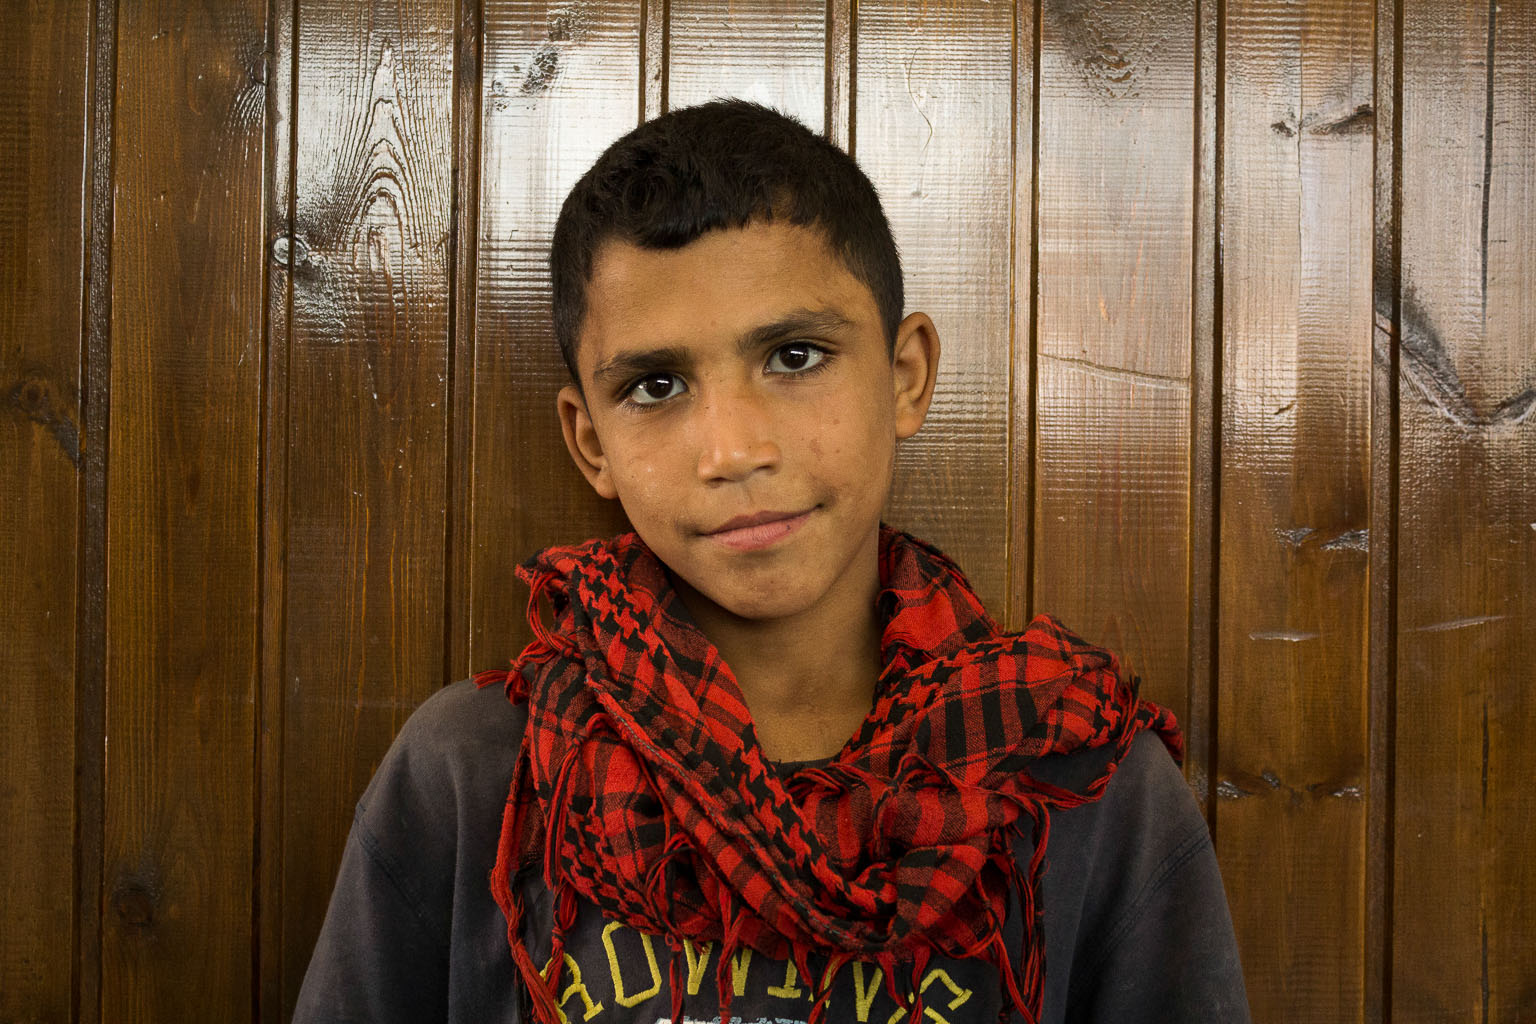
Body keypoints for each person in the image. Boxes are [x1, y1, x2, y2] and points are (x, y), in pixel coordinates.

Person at [293, 99, 1250, 1024]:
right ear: (591, 444)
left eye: (794, 357)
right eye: (655, 385)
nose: (734, 451)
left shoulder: (1078, 783)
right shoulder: (478, 776)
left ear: (905, 376)